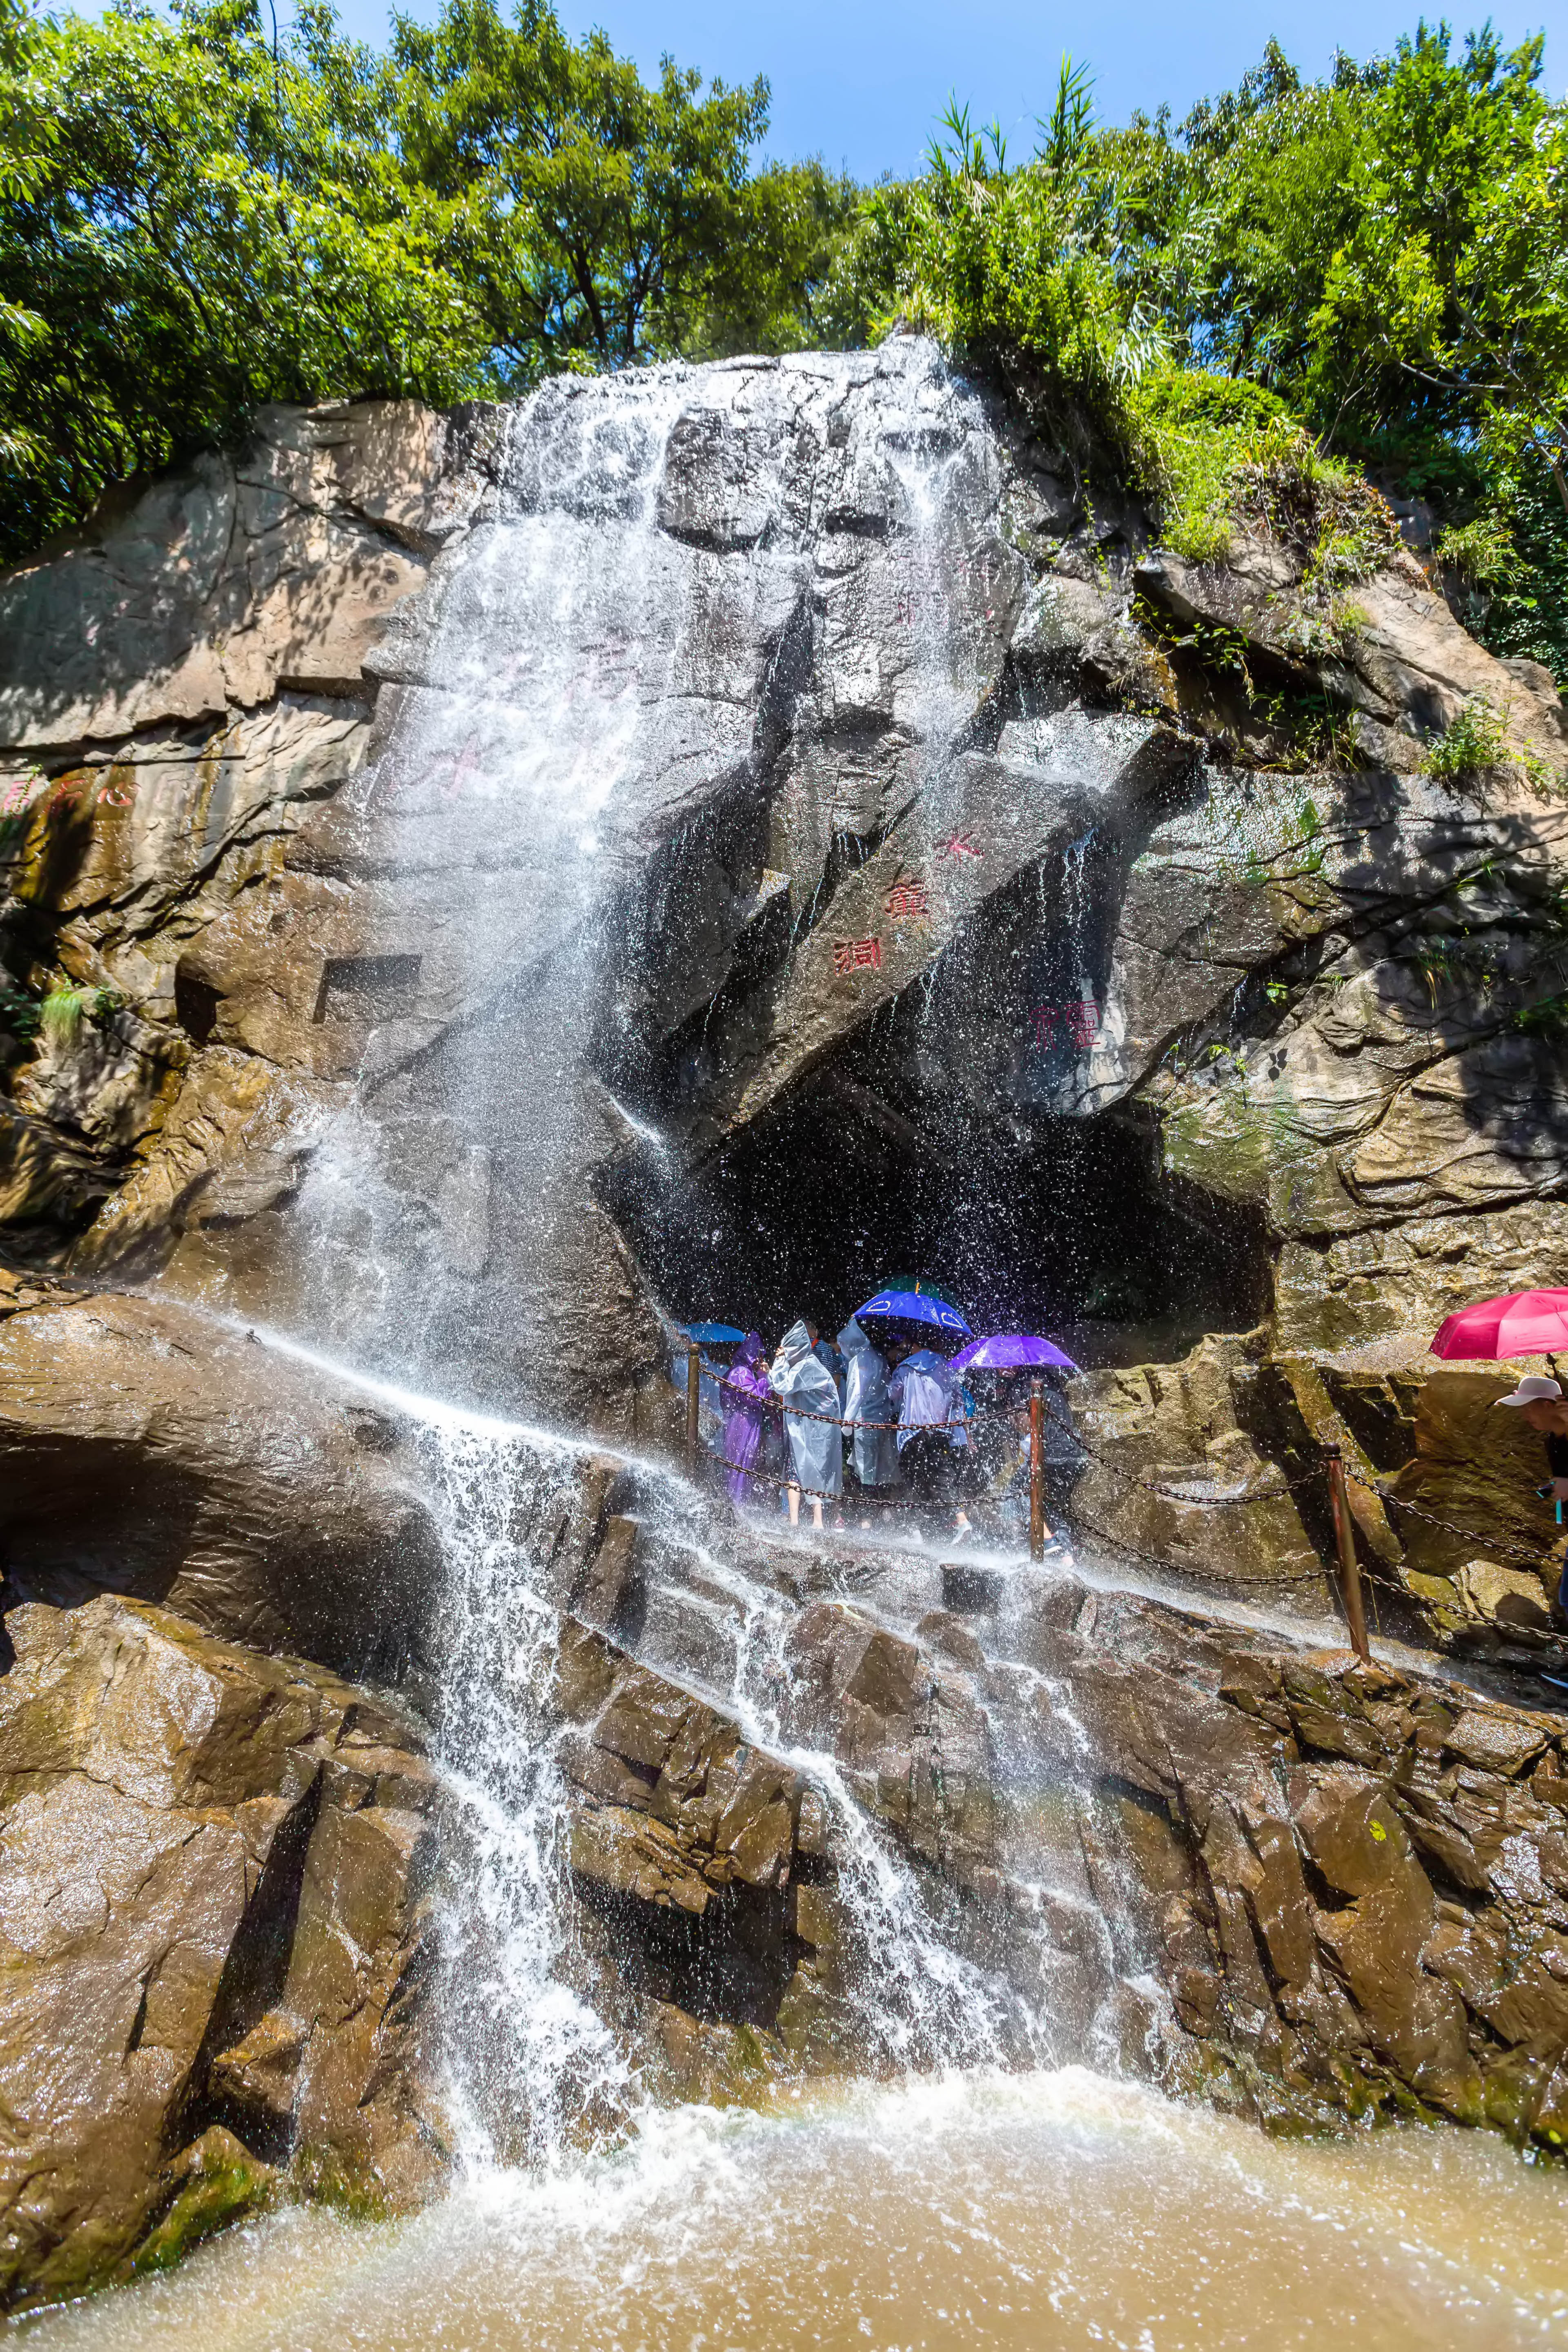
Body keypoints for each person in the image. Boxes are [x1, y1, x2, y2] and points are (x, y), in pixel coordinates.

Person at [1495, 1374, 1568, 1610]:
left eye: (1528, 1408)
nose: (1524, 1415)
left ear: (1549, 1405)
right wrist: (1543, 1493)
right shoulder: (1552, 1441)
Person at [771, 1320, 843, 1529]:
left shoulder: (807, 1366)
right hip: (807, 1431)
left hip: (811, 1432)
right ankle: (798, 1521)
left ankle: (815, 1521)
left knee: (811, 1470)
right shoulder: (808, 1365)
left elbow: (782, 1386)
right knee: (799, 1471)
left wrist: (780, 1362)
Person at [887, 1344, 961, 1513]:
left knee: (913, 1478)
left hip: (913, 1432)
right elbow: (958, 1398)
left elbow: (893, 1394)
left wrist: (896, 1373)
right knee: (941, 1475)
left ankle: (916, 1528)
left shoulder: (906, 1367)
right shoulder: (947, 1366)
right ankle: (959, 1518)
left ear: (915, 1346)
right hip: (940, 1431)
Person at [838, 1317, 900, 1503]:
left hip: (865, 1421)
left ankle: (867, 1517)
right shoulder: (880, 1357)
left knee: (866, 1470)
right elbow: (888, 1392)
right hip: (882, 1420)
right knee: (881, 1468)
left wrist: (847, 1420)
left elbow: (857, 1391)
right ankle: (882, 1511)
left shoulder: (862, 1359)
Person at [721, 1334, 772, 1512]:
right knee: (739, 1462)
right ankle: (735, 1504)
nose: (761, 1359)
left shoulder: (743, 1371)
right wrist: (764, 1378)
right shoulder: (741, 1372)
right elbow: (756, 1399)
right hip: (742, 1423)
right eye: (758, 1355)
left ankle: (739, 1503)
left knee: (745, 1462)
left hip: (747, 1422)